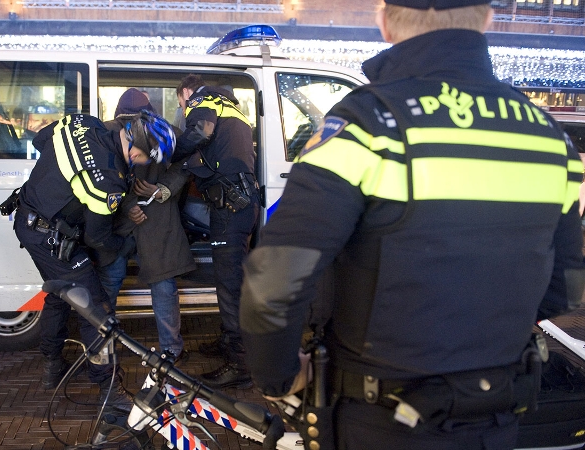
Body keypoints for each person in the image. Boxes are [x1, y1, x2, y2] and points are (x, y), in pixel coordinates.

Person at [239, 1, 585, 449]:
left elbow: (274, 280)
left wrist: (280, 377)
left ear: (384, 20)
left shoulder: (368, 124)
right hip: (496, 415)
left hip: (379, 422)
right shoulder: (547, 136)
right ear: (487, 18)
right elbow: (565, 289)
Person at [13, 110, 175, 412]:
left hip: (30, 221)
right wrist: (123, 246)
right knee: (97, 312)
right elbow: (98, 238)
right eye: (146, 159)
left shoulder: (82, 123)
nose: (144, 165)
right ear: (136, 148)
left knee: (60, 296)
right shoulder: (108, 181)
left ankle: (52, 364)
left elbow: (40, 140)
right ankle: (108, 386)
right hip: (50, 238)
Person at [98, 88, 196, 364]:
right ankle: (171, 352)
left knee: (112, 286)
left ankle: (105, 349)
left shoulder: (109, 131)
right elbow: (187, 163)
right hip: (141, 220)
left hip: (133, 220)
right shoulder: (164, 130)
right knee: (159, 286)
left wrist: (162, 189)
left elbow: (183, 164)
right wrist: (156, 192)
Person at [174, 74, 260, 389]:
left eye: (181, 103)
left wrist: (170, 153)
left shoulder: (204, 101)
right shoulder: (231, 108)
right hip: (241, 203)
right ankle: (230, 342)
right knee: (233, 280)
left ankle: (241, 365)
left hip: (231, 206)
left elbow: (199, 131)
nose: (183, 109)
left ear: (185, 93)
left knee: (229, 286)